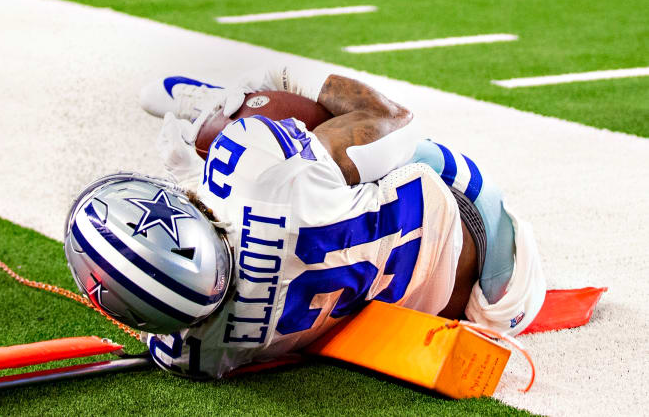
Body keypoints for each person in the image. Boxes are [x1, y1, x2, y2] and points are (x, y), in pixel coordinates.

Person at [64, 65, 545, 379]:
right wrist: (280, 85)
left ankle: (241, 126)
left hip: (462, 314)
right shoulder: (258, 169)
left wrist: (197, 181)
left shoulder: (193, 355)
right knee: (282, 120)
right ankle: (235, 101)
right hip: (485, 231)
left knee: (309, 179)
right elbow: (394, 119)